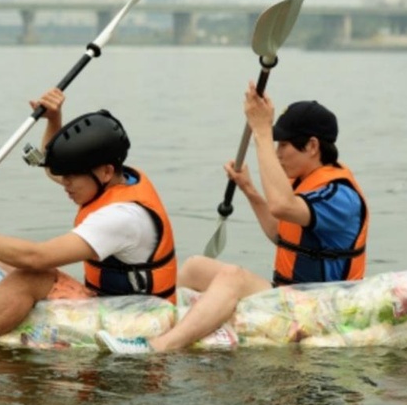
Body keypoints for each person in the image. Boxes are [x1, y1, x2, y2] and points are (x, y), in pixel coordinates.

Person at [96, 81, 369, 354]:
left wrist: (261, 130)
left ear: (311, 146)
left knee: (233, 276)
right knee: (194, 267)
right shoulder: (306, 182)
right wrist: (249, 190)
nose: (277, 152)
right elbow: (281, 233)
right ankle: (138, 321)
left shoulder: (340, 196)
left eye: (283, 145)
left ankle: (159, 347)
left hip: (323, 307)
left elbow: (282, 206)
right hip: (291, 296)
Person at [0, 87, 177, 349]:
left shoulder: (121, 217)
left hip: (137, 315)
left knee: (30, 275)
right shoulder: (119, 178)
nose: (63, 182)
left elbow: (38, 257)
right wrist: (53, 120)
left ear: (105, 172)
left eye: (72, 177)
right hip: (112, 300)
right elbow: (54, 169)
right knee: (1, 260)